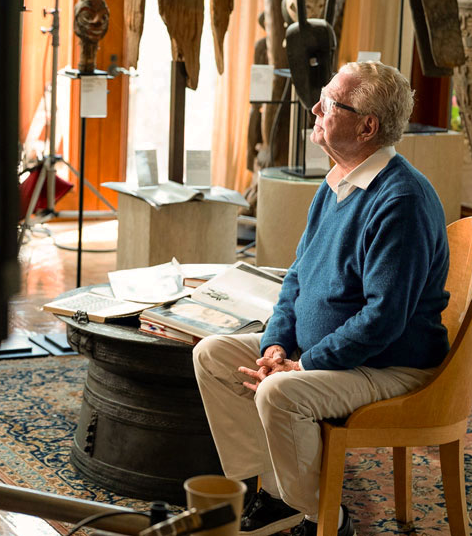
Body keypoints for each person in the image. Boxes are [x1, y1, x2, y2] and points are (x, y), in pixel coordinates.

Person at [192, 61, 450, 536]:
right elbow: (297, 280)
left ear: (366, 125)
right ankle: (276, 494)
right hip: (334, 357)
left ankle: (324, 516)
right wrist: (275, 345)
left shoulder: (400, 200)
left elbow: (383, 319)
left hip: (390, 365)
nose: (314, 107)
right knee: (212, 355)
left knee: (279, 392)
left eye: (330, 102)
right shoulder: (336, 182)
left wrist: (304, 364)